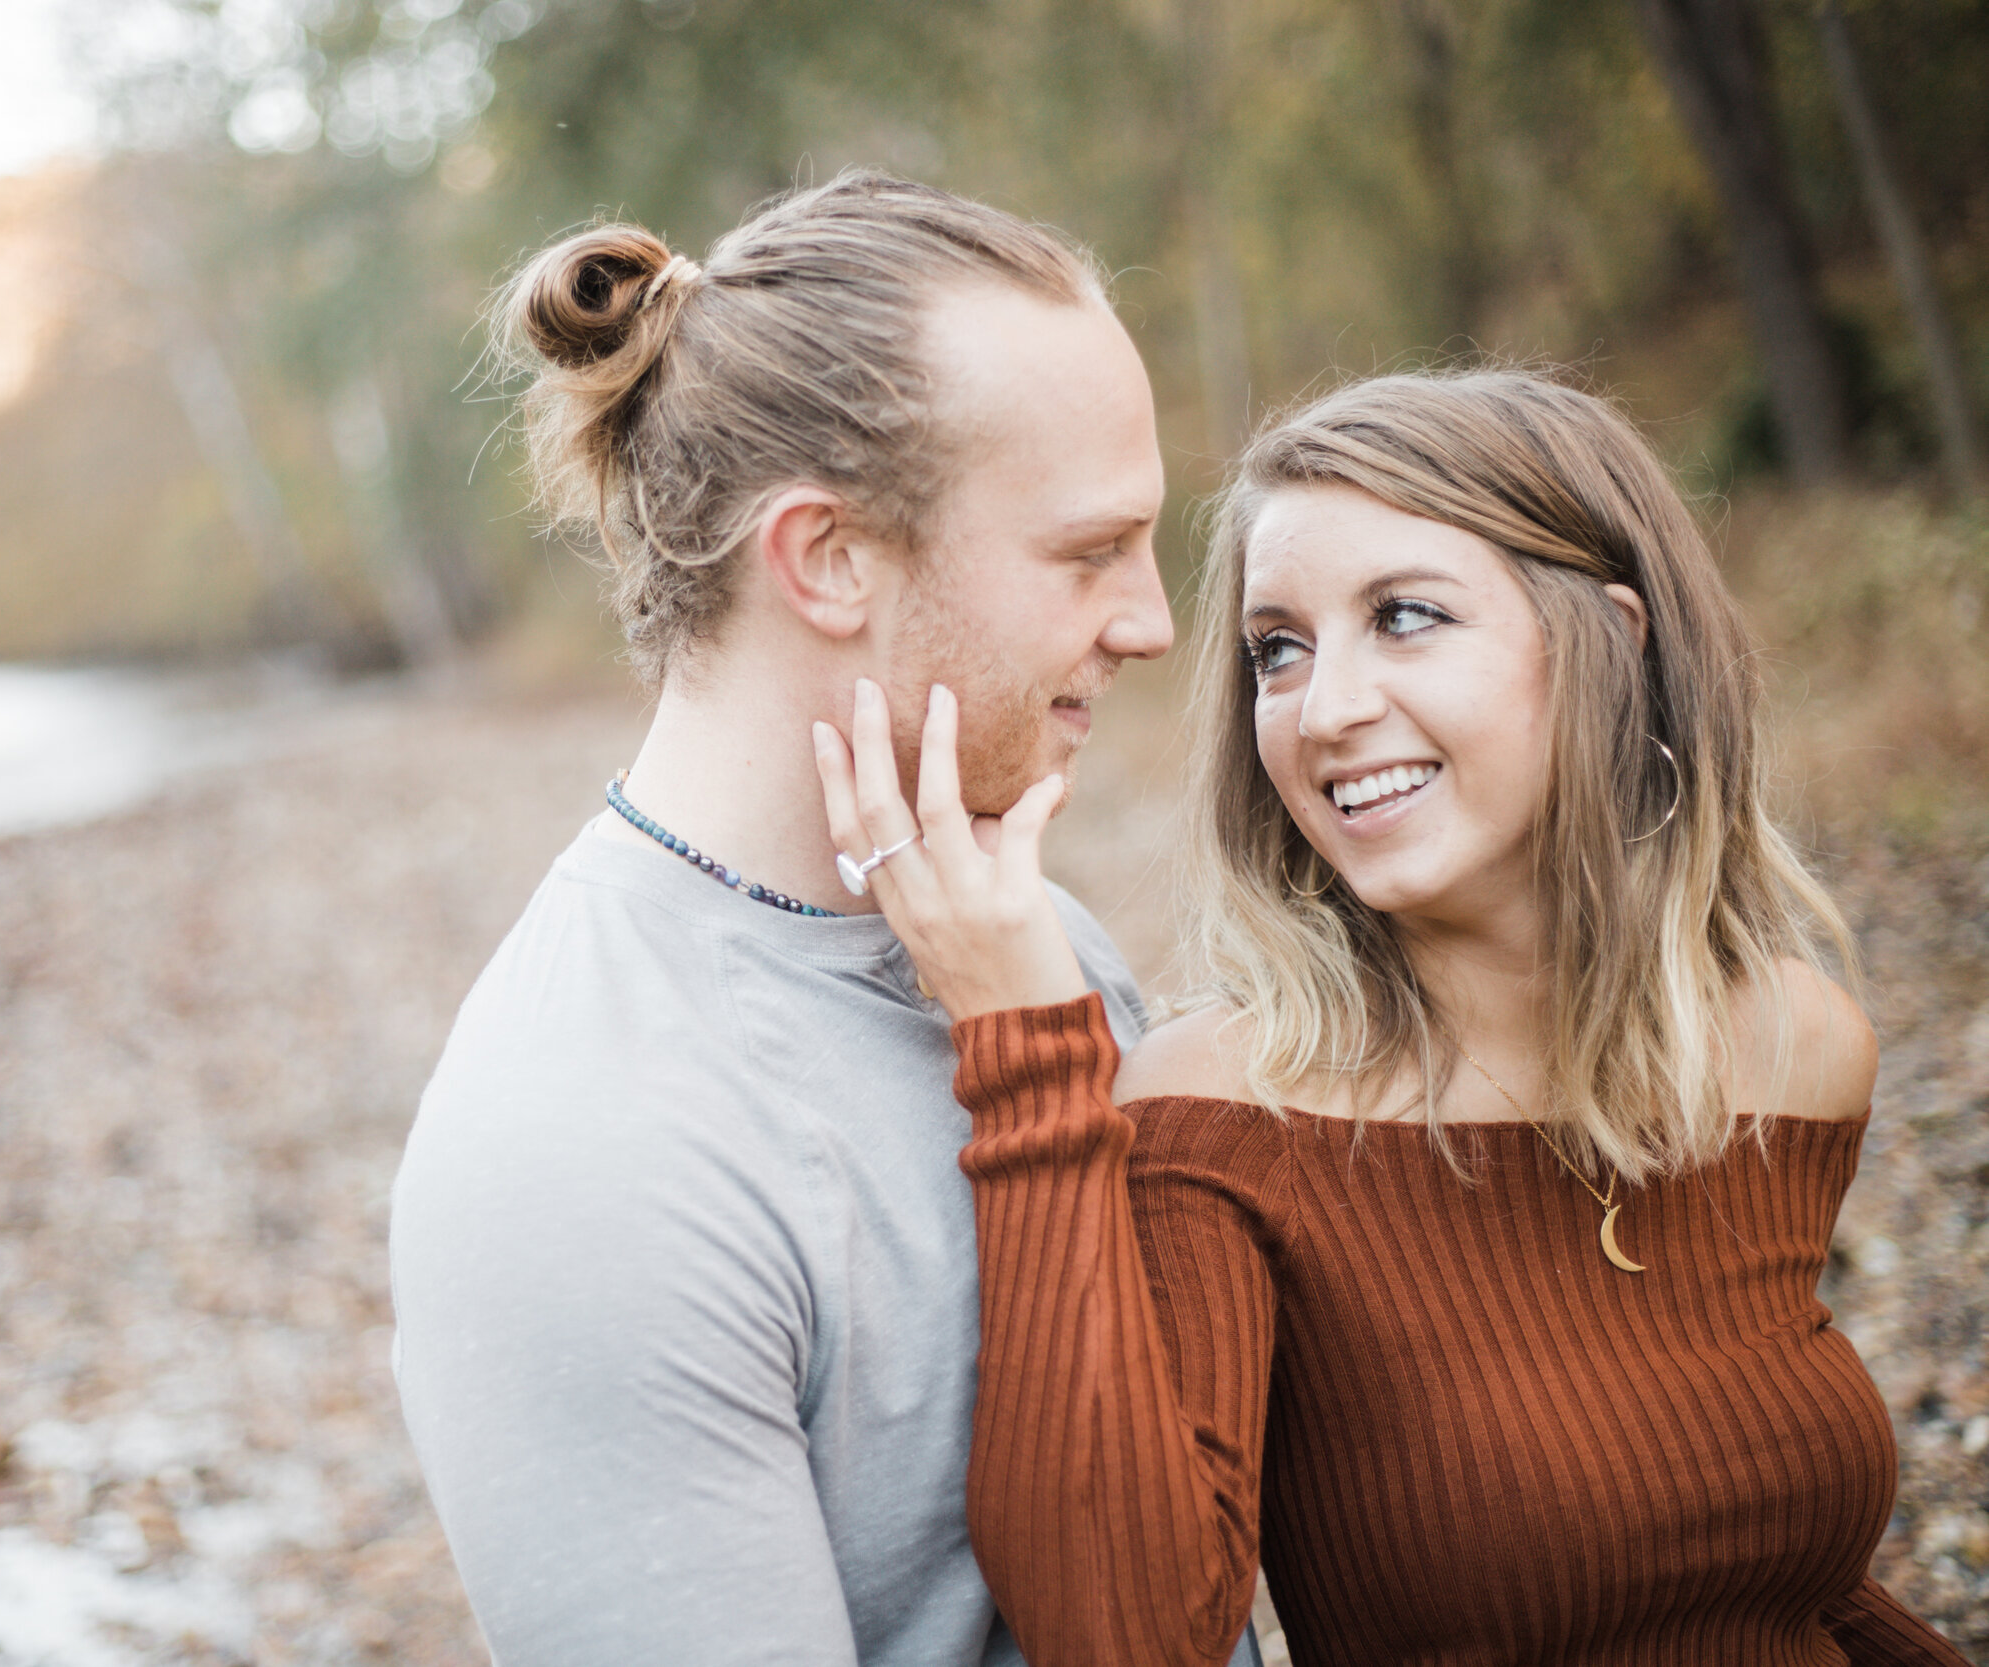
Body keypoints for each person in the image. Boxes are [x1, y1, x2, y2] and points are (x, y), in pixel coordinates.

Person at [812, 369, 1969, 1666]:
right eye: (1278, 651)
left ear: (1614, 639)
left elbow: (1765, 1580)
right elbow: (1119, 1639)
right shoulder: (1228, 1109)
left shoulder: (1791, 1049)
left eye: (1406, 618)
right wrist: (1021, 1043)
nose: (1327, 708)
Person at [390, 172, 1263, 1665]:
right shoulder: (582, 1145)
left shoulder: (1019, 930)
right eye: (1087, 551)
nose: (1153, 622)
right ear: (828, 558)